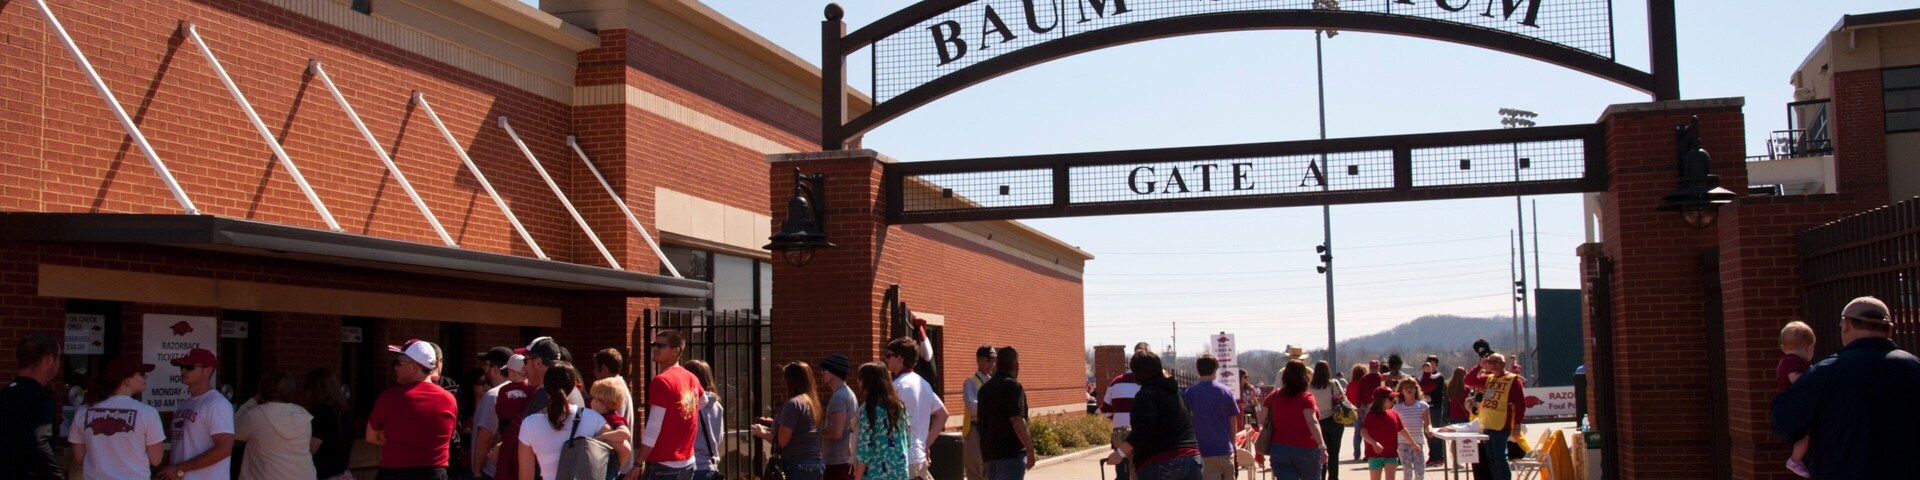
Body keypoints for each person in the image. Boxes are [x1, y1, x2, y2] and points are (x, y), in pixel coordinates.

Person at [1772, 296, 1920, 479]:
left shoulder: (1825, 372)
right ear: (1889, 330)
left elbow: (1786, 422)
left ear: (1847, 324)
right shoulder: (1914, 368)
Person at [369, 339, 460, 480]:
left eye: (399, 363)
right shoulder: (449, 398)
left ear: (414, 367)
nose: (395, 368)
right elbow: (448, 437)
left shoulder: (390, 397)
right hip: (435, 473)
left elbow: (371, 436)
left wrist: (397, 441)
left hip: (395, 472)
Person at [1104, 351, 1201, 479]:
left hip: (1162, 462)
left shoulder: (1146, 395)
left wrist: (1120, 453)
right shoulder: (1177, 392)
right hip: (1192, 459)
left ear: (1137, 373)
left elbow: (1143, 430)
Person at [69, 356, 165, 480]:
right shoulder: (147, 412)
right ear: (127, 380)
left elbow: (80, 457)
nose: (145, 377)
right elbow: (156, 459)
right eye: (141, 374)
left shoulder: (83, 412)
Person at [517, 362, 610, 480]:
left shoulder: (529, 424)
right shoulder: (593, 418)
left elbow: (526, 476)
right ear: (573, 386)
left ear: (545, 385)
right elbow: (624, 448)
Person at [635, 330, 704, 480]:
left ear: (675, 351)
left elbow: (653, 426)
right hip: (687, 461)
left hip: (664, 464)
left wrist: (638, 463)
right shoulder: (692, 377)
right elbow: (703, 401)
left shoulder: (662, 381)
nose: (655, 348)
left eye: (661, 345)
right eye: (654, 344)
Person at [162, 347, 235, 480]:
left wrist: (179, 469)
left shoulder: (217, 404)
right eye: (181, 367)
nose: (183, 371)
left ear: (208, 370)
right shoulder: (185, 405)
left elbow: (224, 448)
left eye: (189, 367)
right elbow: (182, 448)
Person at [884, 336, 949, 479]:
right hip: (919, 458)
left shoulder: (897, 387)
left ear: (900, 359)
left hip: (902, 459)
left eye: (889, 356)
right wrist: (926, 443)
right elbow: (942, 414)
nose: (886, 359)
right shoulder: (924, 384)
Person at [1, 331, 64, 479]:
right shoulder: (40, 398)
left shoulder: (4, 395)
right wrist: (56, 475)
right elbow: (40, 442)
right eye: (59, 357)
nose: (59, 363)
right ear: (48, 359)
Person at [234, 371, 315, 480]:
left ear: (263, 389)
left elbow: (231, 430)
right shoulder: (302, 414)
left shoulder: (255, 415)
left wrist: (253, 400)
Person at [755, 361, 825, 480]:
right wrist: (774, 422)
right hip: (815, 464)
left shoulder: (793, 404)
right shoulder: (812, 402)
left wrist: (762, 433)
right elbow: (801, 428)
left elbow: (782, 441)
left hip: (797, 465)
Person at [977, 346, 1035, 480]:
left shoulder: (984, 389)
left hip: (989, 454)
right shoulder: (1014, 387)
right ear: (1017, 365)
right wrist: (1030, 449)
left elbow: (982, 426)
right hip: (1011, 455)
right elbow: (1017, 420)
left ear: (997, 364)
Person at [1262, 359, 1326, 480]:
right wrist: (1322, 446)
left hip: (1279, 448)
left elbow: (1261, 419)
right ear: (1304, 376)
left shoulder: (1274, 396)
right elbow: (1312, 422)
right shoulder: (1306, 397)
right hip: (1306, 448)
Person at [1464, 353, 1524, 480]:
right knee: (1491, 458)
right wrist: (1479, 366)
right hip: (1487, 423)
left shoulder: (1513, 380)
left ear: (1503, 364)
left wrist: (1517, 424)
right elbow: (1468, 381)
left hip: (1502, 425)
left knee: (1500, 457)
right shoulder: (1488, 379)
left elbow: (1520, 404)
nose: (1493, 364)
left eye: (1496, 361)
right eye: (1491, 361)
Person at [1182, 354, 1240, 480]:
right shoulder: (1226, 391)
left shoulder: (1191, 393)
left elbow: (1185, 420)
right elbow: (1233, 419)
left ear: (1198, 370)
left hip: (1203, 450)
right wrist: (1233, 443)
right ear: (1215, 369)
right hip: (1225, 448)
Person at [1099, 342, 1150, 480]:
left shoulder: (1116, 382)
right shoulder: (1151, 383)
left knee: (1123, 473)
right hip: (1144, 437)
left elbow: (1106, 411)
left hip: (1120, 435)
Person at [853, 362, 911, 480]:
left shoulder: (869, 409)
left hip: (876, 475)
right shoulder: (899, 407)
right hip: (900, 473)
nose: (857, 381)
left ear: (869, 382)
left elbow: (864, 450)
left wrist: (857, 477)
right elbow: (908, 441)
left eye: (860, 378)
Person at [1775, 320, 1814, 477]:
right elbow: (1795, 378)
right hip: (1796, 403)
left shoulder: (1786, 360)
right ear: (1807, 347)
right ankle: (1795, 459)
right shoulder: (1793, 361)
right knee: (1807, 434)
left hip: (1793, 403)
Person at [303, 369, 357, 480]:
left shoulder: (320, 413)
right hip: (343, 473)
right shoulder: (346, 412)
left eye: (307, 388)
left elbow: (310, 448)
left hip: (324, 474)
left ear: (315, 389)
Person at [593, 347, 638, 477]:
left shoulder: (613, 391)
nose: (594, 373)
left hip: (616, 461)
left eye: (596, 368)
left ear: (605, 368)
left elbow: (615, 426)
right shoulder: (618, 386)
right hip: (618, 460)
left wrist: (600, 436)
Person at [492, 353, 537, 480]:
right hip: (527, 436)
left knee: (505, 471)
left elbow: (499, 411)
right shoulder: (533, 391)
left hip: (507, 434)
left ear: (512, 372)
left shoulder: (503, 390)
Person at [472, 346, 514, 479]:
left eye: (486, 365)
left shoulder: (493, 395)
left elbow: (486, 437)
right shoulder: (517, 392)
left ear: (495, 370)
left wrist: (477, 471)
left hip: (489, 471)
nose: (483, 369)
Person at [683, 360, 724, 480]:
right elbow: (719, 437)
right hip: (710, 466)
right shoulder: (717, 406)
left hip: (692, 465)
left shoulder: (690, 404)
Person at [820, 354, 859, 480]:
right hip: (843, 460)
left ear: (835, 372)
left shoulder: (839, 397)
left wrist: (813, 430)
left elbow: (836, 432)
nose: (821, 373)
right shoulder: (847, 393)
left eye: (824, 370)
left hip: (837, 463)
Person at [591, 377, 635, 480]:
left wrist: (602, 437)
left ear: (603, 403)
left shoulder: (612, 418)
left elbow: (625, 433)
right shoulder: (595, 414)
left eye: (594, 398)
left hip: (608, 461)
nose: (591, 401)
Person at [1307, 360, 1345, 480]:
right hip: (1334, 421)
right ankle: (1333, 477)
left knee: (1321, 453)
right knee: (1334, 454)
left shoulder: (1309, 387)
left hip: (1317, 421)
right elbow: (1342, 398)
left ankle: (1320, 476)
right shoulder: (1333, 384)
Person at [962, 345, 995, 480]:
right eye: (988, 360)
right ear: (978, 361)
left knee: (989, 470)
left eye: (993, 361)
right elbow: (973, 407)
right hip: (975, 431)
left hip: (990, 430)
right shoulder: (970, 383)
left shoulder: (993, 382)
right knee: (976, 470)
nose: (991, 364)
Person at [1390, 379, 1429, 480]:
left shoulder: (1423, 406)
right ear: (1401, 391)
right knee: (1407, 472)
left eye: (1411, 387)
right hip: (1403, 443)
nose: (1409, 389)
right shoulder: (1397, 408)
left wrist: (1430, 430)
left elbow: (1428, 424)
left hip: (1418, 442)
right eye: (1406, 387)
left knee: (1420, 472)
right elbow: (1395, 427)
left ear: (1416, 390)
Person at [1361, 386, 1403, 480]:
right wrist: (1374, 443)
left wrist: (1413, 444)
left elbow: (1402, 429)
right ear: (1381, 400)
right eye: (1391, 398)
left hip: (1391, 453)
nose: (1393, 401)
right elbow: (1363, 432)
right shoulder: (1371, 416)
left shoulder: (1393, 413)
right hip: (1375, 455)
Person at [1346, 362, 1380, 461]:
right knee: (1368, 431)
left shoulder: (1352, 384)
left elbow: (1348, 397)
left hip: (1356, 409)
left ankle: (1357, 454)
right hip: (1367, 407)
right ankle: (1368, 453)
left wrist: (1356, 405)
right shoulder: (1374, 378)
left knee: (1357, 433)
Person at [1417, 356, 1446, 467]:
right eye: (1427, 364)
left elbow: (1426, 388)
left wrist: (1427, 375)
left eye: (1432, 364)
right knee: (1427, 433)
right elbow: (1419, 387)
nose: (1429, 366)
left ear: (1436, 365)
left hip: (1436, 408)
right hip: (1425, 407)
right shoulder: (1423, 377)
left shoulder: (1438, 377)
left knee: (1434, 432)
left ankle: (1438, 457)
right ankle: (1432, 456)